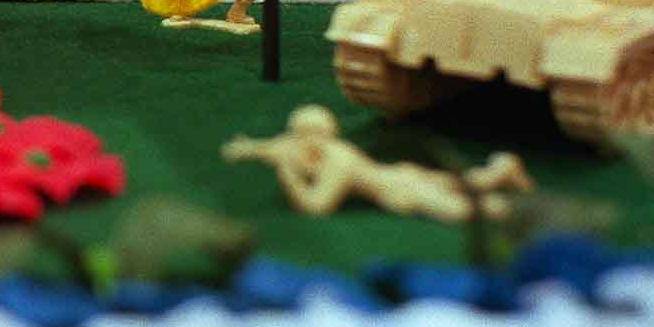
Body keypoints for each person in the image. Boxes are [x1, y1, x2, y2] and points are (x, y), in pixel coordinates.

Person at [223, 105, 533, 224]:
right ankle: (502, 167)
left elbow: (318, 206)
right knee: (468, 182)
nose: (309, 141)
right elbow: (279, 146)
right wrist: (250, 148)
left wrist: (289, 178)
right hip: (399, 175)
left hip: (399, 191)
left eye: (316, 135)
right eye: (304, 135)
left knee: (465, 210)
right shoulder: (304, 148)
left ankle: (522, 210)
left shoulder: (337, 161)